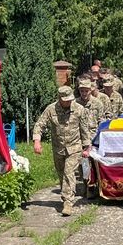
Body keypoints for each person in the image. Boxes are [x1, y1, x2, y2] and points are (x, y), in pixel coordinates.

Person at [32, 86, 94, 216]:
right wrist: (37, 141)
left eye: (70, 99)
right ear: (59, 98)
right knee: (61, 174)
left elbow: (84, 129)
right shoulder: (51, 109)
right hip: (58, 148)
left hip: (74, 147)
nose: (68, 102)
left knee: (68, 172)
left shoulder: (79, 109)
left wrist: (87, 146)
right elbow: (40, 124)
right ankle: (67, 194)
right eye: (65, 100)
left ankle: (68, 202)